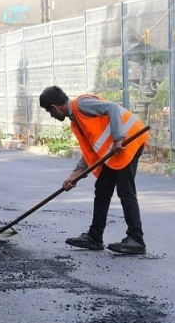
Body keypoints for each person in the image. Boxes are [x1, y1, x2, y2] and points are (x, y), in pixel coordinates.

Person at [39, 85, 150, 255]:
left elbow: (112, 108)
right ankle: (95, 237)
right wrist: (74, 175)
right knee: (102, 189)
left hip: (128, 142)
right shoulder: (76, 121)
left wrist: (118, 138)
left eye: (49, 112)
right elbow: (91, 151)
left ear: (54, 107)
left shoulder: (81, 105)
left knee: (125, 190)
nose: (52, 116)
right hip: (114, 150)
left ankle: (136, 239)